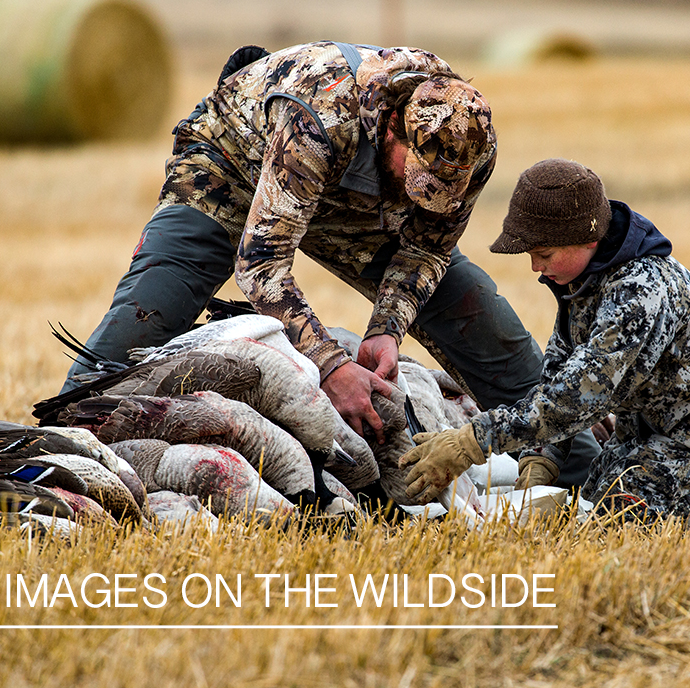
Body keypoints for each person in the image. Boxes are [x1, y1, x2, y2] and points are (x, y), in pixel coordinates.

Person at [62, 41, 600, 483]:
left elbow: (427, 247)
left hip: (362, 204)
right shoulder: (320, 113)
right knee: (147, 315)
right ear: (392, 129)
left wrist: (388, 329)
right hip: (233, 170)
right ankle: (54, 457)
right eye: (420, 180)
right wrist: (332, 365)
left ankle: (591, 474)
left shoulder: (469, 143)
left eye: (441, 190)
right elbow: (263, 265)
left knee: (481, 319)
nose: (428, 196)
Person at [401, 158, 690, 527]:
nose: (534, 266)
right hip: (648, 421)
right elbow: (559, 371)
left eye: (544, 253)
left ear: (587, 239)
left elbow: (581, 394)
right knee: (594, 492)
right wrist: (542, 457)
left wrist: (471, 442)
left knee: (623, 516)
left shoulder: (639, 292)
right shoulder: (582, 282)